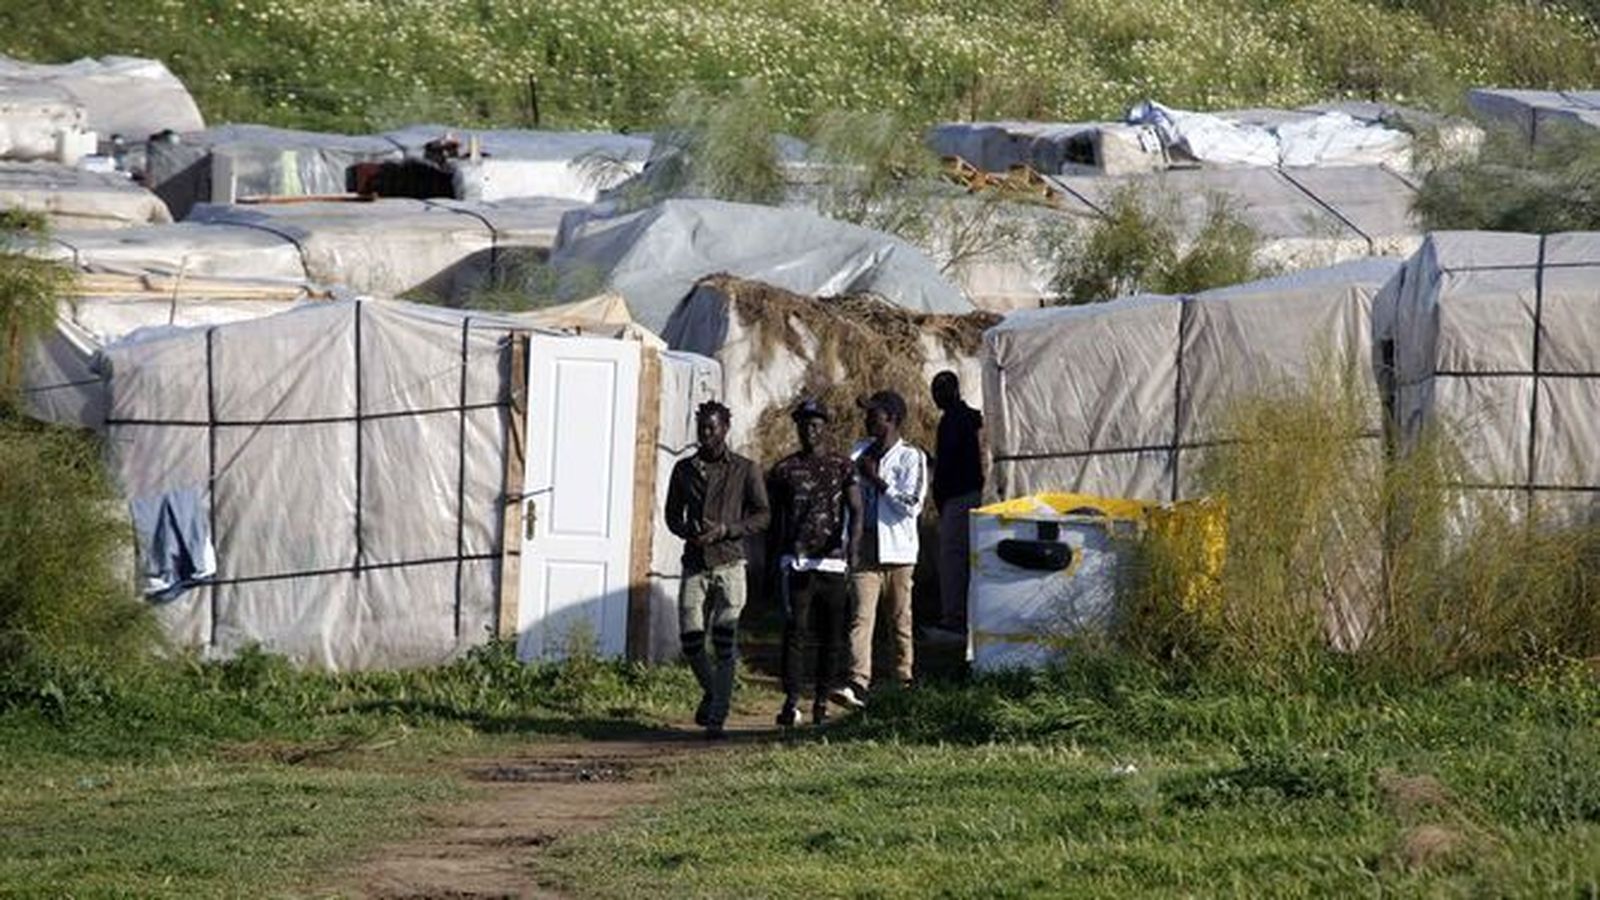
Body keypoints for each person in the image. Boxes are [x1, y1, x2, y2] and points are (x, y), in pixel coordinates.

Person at [664, 401, 770, 738]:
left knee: (725, 641)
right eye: (702, 428)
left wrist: (726, 530)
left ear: (725, 429)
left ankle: (717, 718)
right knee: (691, 640)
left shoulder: (744, 469)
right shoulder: (684, 470)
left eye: (712, 428)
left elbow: (763, 515)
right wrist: (689, 531)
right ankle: (712, 691)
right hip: (695, 562)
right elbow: (671, 516)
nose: (706, 434)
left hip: (730, 563)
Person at [767, 398, 864, 728]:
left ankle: (822, 699)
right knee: (795, 633)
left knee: (832, 635)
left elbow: (857, 508)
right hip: (797, 563)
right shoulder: (783, 469)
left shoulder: (842, 466)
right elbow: (774, 518)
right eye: (805, 424)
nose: (811, 430)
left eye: (817, 424)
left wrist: (853, 546)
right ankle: (791, 700)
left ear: (826, 428)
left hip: (833, 563)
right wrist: (772, 560)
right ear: (797, 428)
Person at [835, 390, 926, 709]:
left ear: (892, 419)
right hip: (866, 545)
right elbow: (848, 501)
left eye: (873, 414)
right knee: (861, 617)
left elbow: (912, 506)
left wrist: (878, 481)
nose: (866, 419)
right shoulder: (859, 451)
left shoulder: (911, 457)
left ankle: (902, 680)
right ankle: (857, 681)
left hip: (899, 552)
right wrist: (847, 541)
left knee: (900, 619)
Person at [929, 370, 985, 640]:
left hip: (960, 495)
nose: (937, 397)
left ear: (954, 390)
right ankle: (960, 616)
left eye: (941, 390)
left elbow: (950, 465)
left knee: (952, 557)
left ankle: (954, 620)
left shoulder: (956, 420)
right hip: (963, 494)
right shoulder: (966, 419)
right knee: (960, 556)